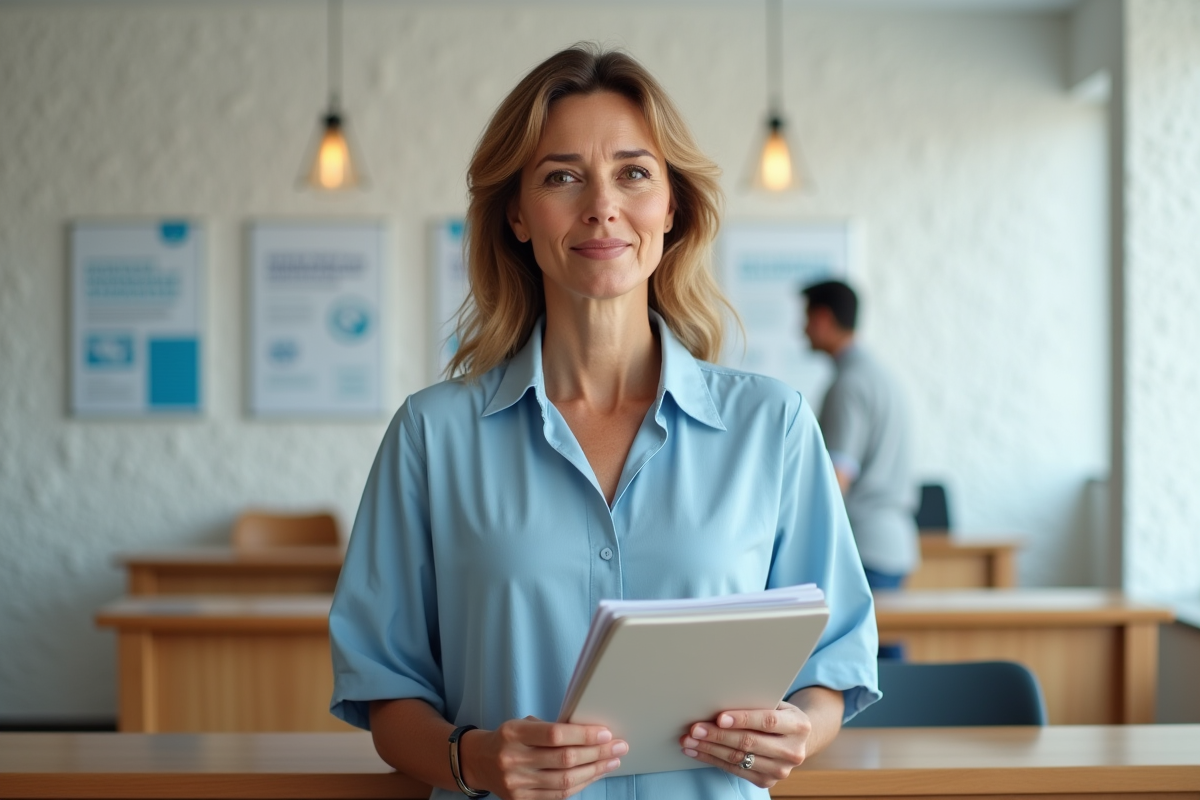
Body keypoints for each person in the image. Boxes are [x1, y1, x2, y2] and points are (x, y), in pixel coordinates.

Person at [329, 45, 879, 800]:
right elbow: (385, 693)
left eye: (634, 173)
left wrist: (800, 730)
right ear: (517, 214)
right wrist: (475, 759)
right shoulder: (432, 437)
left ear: (672, 206)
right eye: (562, 177)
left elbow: (833, 665)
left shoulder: (772, 426)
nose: (601, 206)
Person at [800, 280, 919, 591]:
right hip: (894, 545)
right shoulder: (882, 377)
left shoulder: (848, 385)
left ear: (823, 319)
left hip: (864, 548)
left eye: (806, 319)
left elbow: (836, 480)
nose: (801, 330)